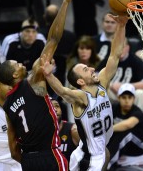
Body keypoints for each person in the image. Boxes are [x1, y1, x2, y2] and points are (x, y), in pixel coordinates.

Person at [0, 0, 81, 171]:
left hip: (28, 160)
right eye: (17, 64)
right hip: (50, 154)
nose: (21, 63)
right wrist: (65, 3)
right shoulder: (32, 81)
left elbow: (13, 150)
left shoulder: (7, 104)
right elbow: (53, 38)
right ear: (15, 75)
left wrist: (28, 162)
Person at [41, 13, 129, 171]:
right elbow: (62, 91)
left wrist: (121, 26)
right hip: (88, 154)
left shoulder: (102, 82)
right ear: (81, 81)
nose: (93, 69)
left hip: (97, 151)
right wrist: (48, 75)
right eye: (86, 70)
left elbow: (115, 55)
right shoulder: (82, 97)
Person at [97, 39, 143, 113]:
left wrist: (124, 86)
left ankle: (137, 120)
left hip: (130, 94)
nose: (119, 50)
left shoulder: (137, 61)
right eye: (116, 47)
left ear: (127, 48)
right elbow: (95, 79)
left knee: (141, 94)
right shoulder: (107, 61)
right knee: (99, 90)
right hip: (113, 93)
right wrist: (111, 85)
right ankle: (103, 120)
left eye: (121, 47)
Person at [107, 83, 143, 170]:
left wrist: (107, 130)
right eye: (124, 97)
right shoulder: (114, 108)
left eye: (130, 98)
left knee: (124, 131)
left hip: (138, 147)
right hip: (125, 146)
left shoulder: (137, 112)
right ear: (119, 98)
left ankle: (108, 163)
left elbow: (128, 124)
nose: (127, 101)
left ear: (134, 99)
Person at [50, 97, 80, 162]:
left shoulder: (74, 130)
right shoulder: (41, 134)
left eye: (57, 106)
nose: (55, 109)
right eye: (51, 107)